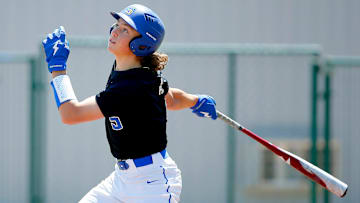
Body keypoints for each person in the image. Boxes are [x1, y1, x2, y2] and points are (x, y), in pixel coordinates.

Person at [42, 4, 217, 203]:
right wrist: (196, 100)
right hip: (121, 179)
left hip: (153, 185)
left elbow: (71, 114)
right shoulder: (141, 73)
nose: (115, 31)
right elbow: (171, 98)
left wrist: (58, 69)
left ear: (142, 43)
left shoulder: (131, 87)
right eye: (117, 25)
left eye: (125, 29)